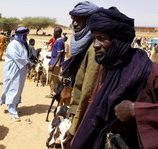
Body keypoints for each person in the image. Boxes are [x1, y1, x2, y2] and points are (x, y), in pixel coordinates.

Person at [71, 7, 158, 149]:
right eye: (93, 39)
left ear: (118, 41)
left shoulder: (150, 72)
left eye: (101, 38)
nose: (95, 45)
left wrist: (135, 110)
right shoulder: (108, 67)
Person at [61, 2, 100, 148]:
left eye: (80, 20)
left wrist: (73, 128)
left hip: (84, 117)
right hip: (76, 111)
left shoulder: (94, 48)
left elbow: (87, 93)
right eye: (73, 20)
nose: (75, 24)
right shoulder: (84, 46)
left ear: (90, 21)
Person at [0, 27, 33, 122]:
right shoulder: (12, 44)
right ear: (20, 35)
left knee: (18, 89)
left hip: (21, 70)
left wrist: (29, 62)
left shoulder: (22, 44)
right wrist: (28, 62)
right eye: (24, 35)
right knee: (13, 89)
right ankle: (12, 113)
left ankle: (15, 108)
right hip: (13, 71)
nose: (26, 37)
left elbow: (24, 57)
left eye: (26, 35)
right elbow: (17, 57)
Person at [48, 27, 65, 96]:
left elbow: (59, 54)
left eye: (54, 32)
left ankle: (54, 93)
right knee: (53, 78)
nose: (53, 33)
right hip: (54, 62)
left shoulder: (59, 41)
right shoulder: (58, 40)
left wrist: (53, 65)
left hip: (56, 64)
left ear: (58, 33)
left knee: (53, 79)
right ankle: (54, 92)